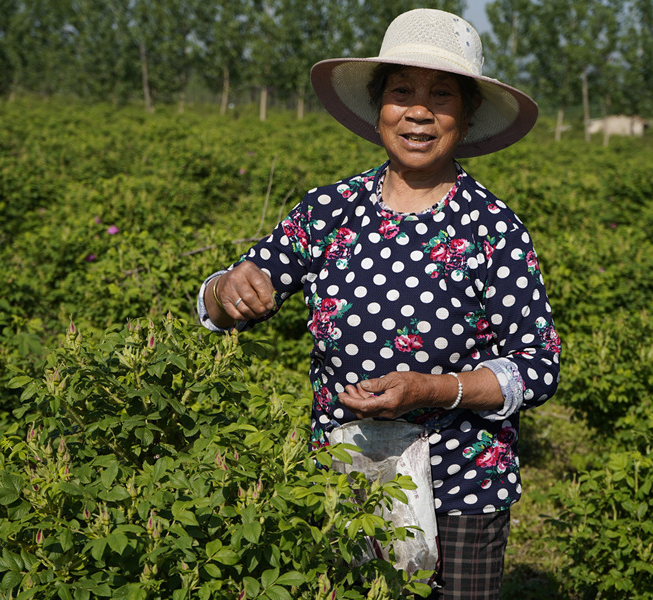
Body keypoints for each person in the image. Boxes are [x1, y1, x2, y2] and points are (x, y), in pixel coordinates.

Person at [196, 8, 560, 599]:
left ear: (465, 119)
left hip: (462, 484)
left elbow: (537, 368)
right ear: (378, 109)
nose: (419, 111)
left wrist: (434, 389)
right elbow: (223, 299)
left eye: (441, 96)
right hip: (348, 476)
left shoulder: (494, 229)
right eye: (402, 92)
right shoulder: (328, 211)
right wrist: (227, 289)